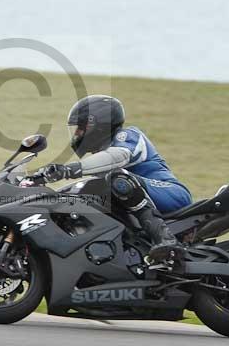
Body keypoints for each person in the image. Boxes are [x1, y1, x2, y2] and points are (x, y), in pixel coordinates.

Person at [38, 95, 192, 263]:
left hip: (171, 193)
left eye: (81, 128)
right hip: (146, 198)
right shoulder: (100, 158)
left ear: (99, 124)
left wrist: (69, 169)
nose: (76, 134)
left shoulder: (127, 136)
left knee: (117, 177)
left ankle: (165, 238)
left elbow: (118, 156)